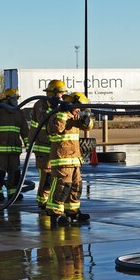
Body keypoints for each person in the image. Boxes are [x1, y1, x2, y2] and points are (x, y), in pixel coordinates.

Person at [45, 91, 95, 225]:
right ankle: (55, 213)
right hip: (62, 158)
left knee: (76, 186)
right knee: (62, 186)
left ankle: (72, 211)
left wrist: (86, 119)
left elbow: (87, 126)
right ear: (72, 103)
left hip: (74, 159)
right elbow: (55, 129)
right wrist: (63, 112)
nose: (79, 110)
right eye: (79, 107)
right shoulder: (57, 115)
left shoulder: (74, 116)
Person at [29, 79, 68, 211]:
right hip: (43, 146)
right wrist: (52, 108)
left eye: (63, 94)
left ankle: (51, 200)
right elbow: (43, 119)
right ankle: (43, 201)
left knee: (57, 176)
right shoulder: (41, 104)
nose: (61, 96)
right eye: (60, 93)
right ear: (52, 93)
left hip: (56, 147)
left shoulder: (62, 104)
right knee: (47, 177)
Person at [0, 88, 27, 202]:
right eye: (14, 98)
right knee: (0, 172)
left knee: (15, 172)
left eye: (17, 98)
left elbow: (24, 130)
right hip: (0, 149)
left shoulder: (19, 112)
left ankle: (13, 192)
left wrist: (28, 143)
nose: (16, 101)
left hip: (14, 149)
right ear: (7, 99)